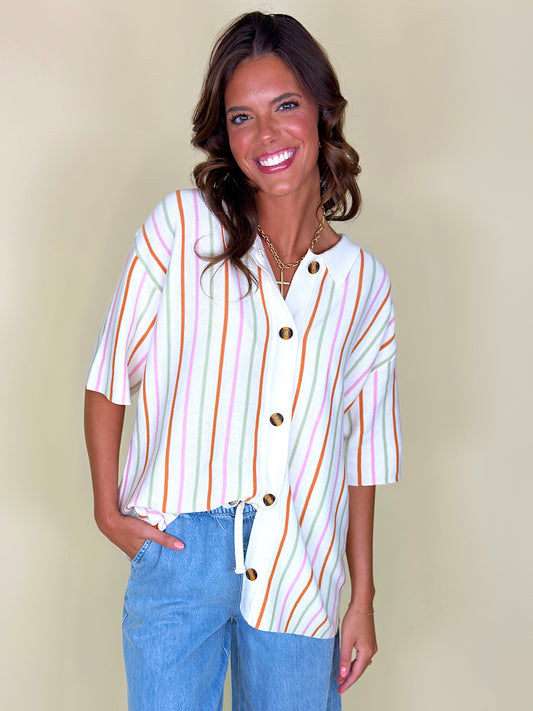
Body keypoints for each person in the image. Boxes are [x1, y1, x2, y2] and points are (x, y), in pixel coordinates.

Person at [84, 11, 401, 711]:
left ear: (321, 110)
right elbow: (109, 374)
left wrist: (362, 598)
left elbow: (363, 454)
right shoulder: (181, 228)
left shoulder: (362, 284)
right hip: (181, 550)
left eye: (285, 105)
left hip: (301, 562)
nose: (266, 136)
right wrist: (108, 511)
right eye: (241, 117)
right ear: (223, 134)